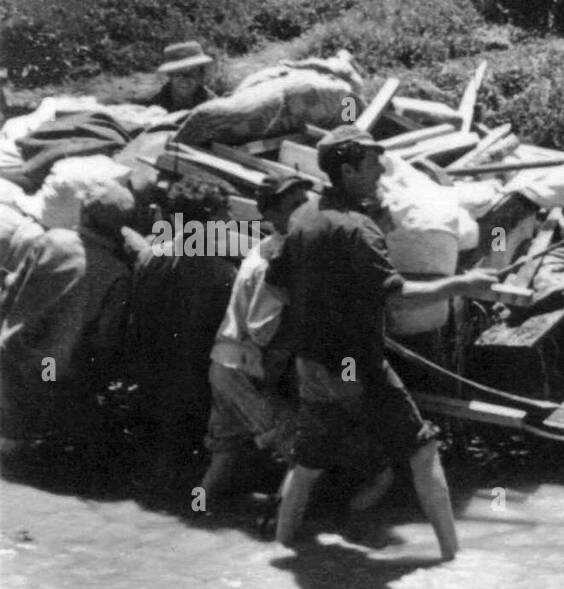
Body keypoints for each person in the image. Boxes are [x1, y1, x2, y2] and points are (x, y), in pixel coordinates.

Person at [266, 125, 498, 555]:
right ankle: (453, 557)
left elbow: (277, 285)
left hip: (312, 363)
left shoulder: (303, 222)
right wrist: (462, 284)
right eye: (373, 165)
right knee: (423, 450)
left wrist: (324, 312)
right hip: (357, 364)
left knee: (308, 462)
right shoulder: (360, 230)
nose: (381, 173)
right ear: (350, 170)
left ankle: (280, 548)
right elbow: (398, 298)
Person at [0, 183, 136, 458]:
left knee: (15, 412)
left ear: (84, 213)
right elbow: (104, 336)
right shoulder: (117, 272)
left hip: (11, 350)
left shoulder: (52, 240)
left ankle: (14, 442)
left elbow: (13, 291)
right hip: (52, 367)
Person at [197, 173, 311, 498]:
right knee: (300, 448)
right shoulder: (273, 262)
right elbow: (263, 331)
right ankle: (278, 529)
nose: (303, 211)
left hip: (225, 364)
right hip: (244, 373)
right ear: (271, 216)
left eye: (305, 203)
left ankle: (197, 512)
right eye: (293, 206)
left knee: (226, 451)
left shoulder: (272, 248)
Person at [128, 175, 238, 487]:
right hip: (194, 378)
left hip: (151, 369)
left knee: (158, 450)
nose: (230, 220)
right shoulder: (224, 274)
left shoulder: (151, 256)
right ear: (207, 223)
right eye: (223, 214)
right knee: (180, 456)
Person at [143, 42, 216, 113]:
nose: (184, 79)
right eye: (178, 74)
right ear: (170, 76)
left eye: (192, 72)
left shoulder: (212, 104)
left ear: (201, 75)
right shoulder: (152, 104)